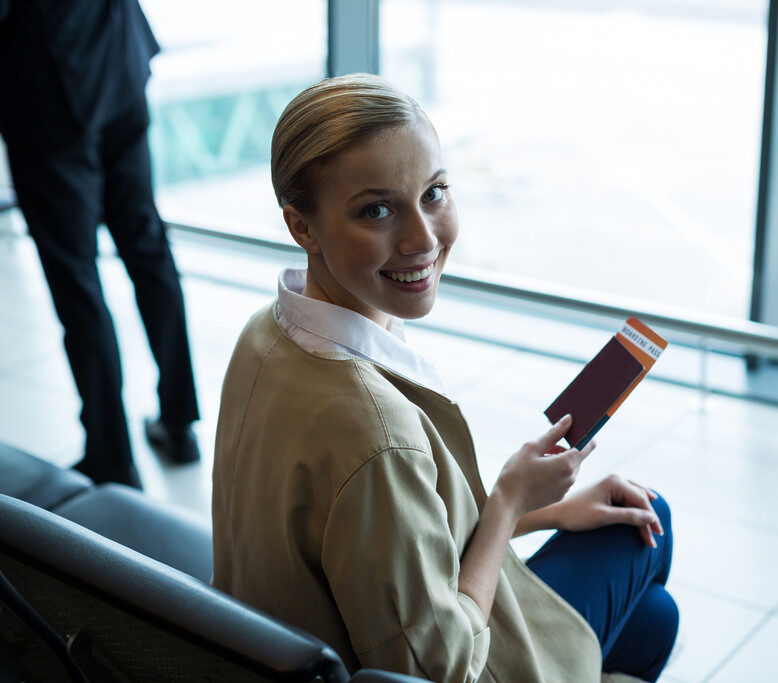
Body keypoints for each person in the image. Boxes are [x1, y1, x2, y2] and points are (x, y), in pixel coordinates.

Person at [211, 74, 678, 682]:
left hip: (282, 644)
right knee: (652, 528)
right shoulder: (375, 432)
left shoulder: (265, 334)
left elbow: (373, 537)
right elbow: (439, 668)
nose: (422, 239)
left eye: (433, 193)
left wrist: (544, 511)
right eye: (376, 210)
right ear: (301, 227)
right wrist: (509, 500)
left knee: (652, 615)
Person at [0, 0, 201, 486]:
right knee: (146, 245)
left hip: (47, 83)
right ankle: (178, 421)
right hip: (117, 58)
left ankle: (112, 455)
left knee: (76, 276)